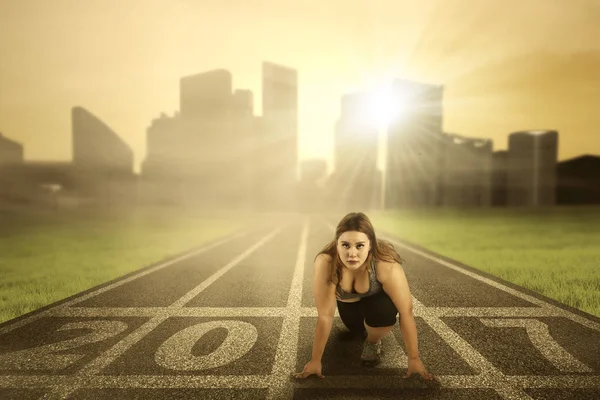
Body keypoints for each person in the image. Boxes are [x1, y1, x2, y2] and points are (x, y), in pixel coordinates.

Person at [293, 212, 435, 380]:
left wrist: (414, 359)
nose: (352, 254)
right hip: (351, 313)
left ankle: (373, 342)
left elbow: (406, 312)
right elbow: (325, 315)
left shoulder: (385, 264)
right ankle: (362, 332)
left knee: (384, 309)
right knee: (358, 329)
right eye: (345, 245)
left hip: (379, 312)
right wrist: (315, 360)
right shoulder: (327, 262)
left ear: (370, 246)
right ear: (336, 245)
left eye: (359, 246)